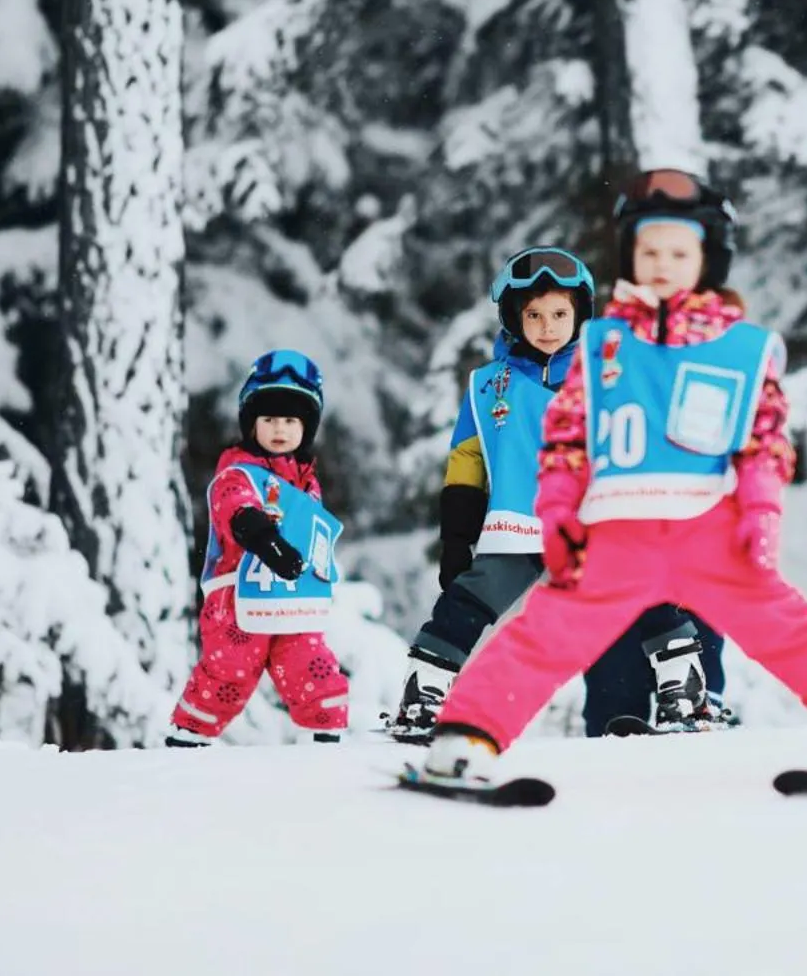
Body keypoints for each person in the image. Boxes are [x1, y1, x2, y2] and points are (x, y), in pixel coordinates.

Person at [421, 171, 807, 780]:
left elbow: (765, 443)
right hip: (617, 534)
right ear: (630, 256)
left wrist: (761, 510)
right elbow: (566, 442)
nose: (662, 264)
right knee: (547, 632)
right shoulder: (600, 348)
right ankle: (467, 740)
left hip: (709, 527)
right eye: (649, 252)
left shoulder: (739, 349)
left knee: (782, 623)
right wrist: (560, 514)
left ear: (707, 259)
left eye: (679, 252)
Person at [386, 246, 728, 740]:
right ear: (514, 318)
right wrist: (457, 539)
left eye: (560, 314)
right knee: (465, 604)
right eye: (535, 315)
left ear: (579, 315)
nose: (549, 326)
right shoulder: (488, 386)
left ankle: (685, 693)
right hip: (517, 525)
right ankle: (424, 698)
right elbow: (467, 463)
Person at [166, 350, 350, 746]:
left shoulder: (307, 483)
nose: (279, 428)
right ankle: (187, 739)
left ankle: (328, 739)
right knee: (229, 671)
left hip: (292, 599)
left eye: (290, 420)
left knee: (311, 666)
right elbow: (235, 507)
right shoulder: (237, 472)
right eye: (268, 419)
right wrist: (262, 537)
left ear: (307, 427)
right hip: (237, 600)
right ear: (252, 424)